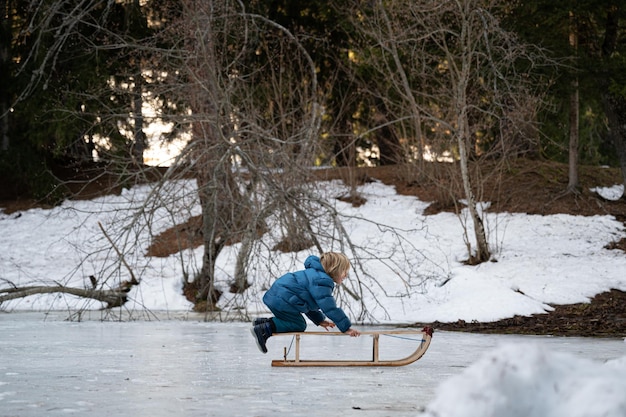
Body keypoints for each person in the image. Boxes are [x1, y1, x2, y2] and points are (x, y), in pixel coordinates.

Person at [250, 252, 361, 353]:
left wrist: (319, 320)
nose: (346, 275)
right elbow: (329, 308)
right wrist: (346, 328)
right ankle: (264, 329)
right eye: (344, 271)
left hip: (278, 297)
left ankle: (262, 322)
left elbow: (307, 302)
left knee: (292, 321)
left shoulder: (314, 275)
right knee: (299, 325)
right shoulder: (322, 281)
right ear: (334, 269)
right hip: (284, 299)